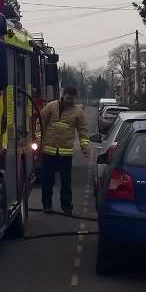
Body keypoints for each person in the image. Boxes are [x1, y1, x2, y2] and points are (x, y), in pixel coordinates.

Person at [38, 86, 90, 215]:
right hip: (49, 150)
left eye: (72, 99)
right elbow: (40, 122)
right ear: (63, 95)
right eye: (68, 98)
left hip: (65, 152)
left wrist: (85, 147)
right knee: (47, 180)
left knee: (66, 181)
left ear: (75, 98)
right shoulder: (51, 106)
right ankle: (47, 205)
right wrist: (39, 139)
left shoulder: (78, 112)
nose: (69, 101)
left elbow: (83, 130)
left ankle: (67, 207)